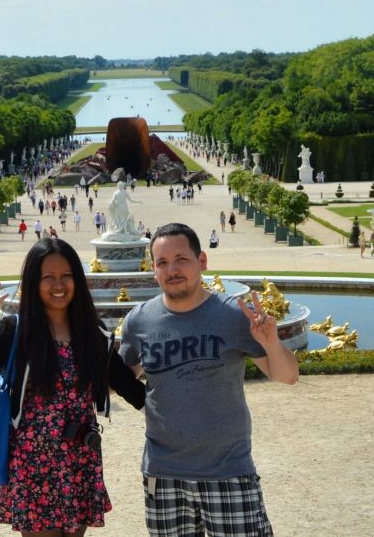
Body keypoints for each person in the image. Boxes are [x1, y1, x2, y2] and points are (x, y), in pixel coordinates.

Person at [0, 239, 145, 535]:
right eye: (48, 277)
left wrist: (161, 362)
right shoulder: (16, 330)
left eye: (66, 276)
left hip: (80, 457)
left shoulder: (92, 334)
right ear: (34, 282)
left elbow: (130, 389)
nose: (58, 285)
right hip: (34, 462)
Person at [118, 223, 298, 537]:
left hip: (227, 471)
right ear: (154, 270)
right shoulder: (139, 321)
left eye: (181, 259)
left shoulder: (233, 316)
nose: (172, 270)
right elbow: (119, 379)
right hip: (163, 474)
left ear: (202, 261)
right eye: (162, 262)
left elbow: (288, 376)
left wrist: (271, 342)